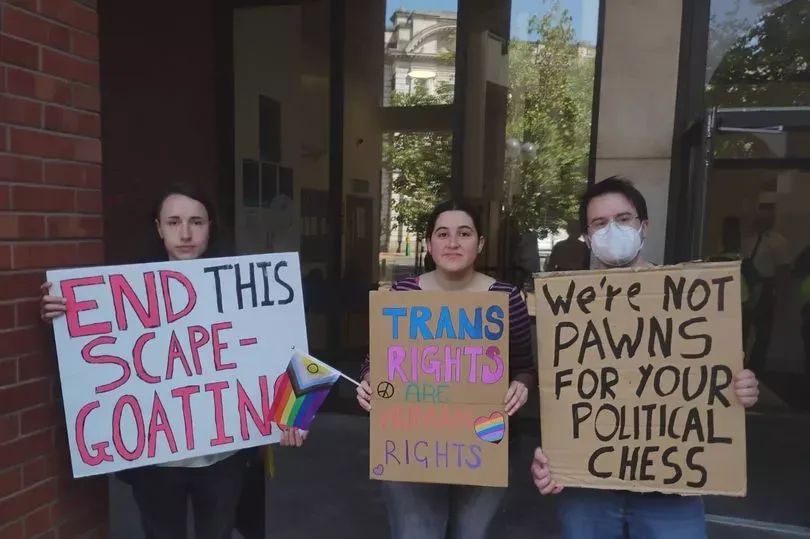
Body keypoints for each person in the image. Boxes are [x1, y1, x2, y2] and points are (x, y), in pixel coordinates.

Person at [40, 182, 306, 539]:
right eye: (174, 222)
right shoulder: (121, 293)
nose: (185, 234)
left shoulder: (247, 288)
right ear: (158, 228)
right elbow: (94, 354)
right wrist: (62, 315)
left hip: (225, 458)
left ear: (210, 226)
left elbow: (283, 349)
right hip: (156, 461)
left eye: (196, 222)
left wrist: (295, 415)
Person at [530, 177, 760, 539]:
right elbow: (560, 394)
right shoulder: (564, 309)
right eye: (599, 223)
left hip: (671, 495)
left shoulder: (689, 299)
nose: (612, 230)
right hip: (588, 493)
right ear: (587, 237)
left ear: (644, 226)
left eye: (623, 219)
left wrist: (741, 389)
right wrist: (550, 458)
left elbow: (712, 380)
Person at [356, 199, 536, 539]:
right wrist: (368, 381)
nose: (453, 242)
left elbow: (525, 367)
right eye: (442, 234)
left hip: (484, 442)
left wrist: (521, 386)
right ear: (429, 243)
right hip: (412, 442)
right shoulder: (403, 294)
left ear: (480, 243)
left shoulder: (506, 298)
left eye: (464, 233)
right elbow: (376, 361)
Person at [741, 203, 790, 374]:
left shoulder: (778, 242)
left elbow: (783, 271)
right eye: (761, 211)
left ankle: (756, 371)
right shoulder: (746, 237)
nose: (764, 215)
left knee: (762, 334)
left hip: (766, 290)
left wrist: (780, 297)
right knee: (741, 331)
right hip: (744, 288)